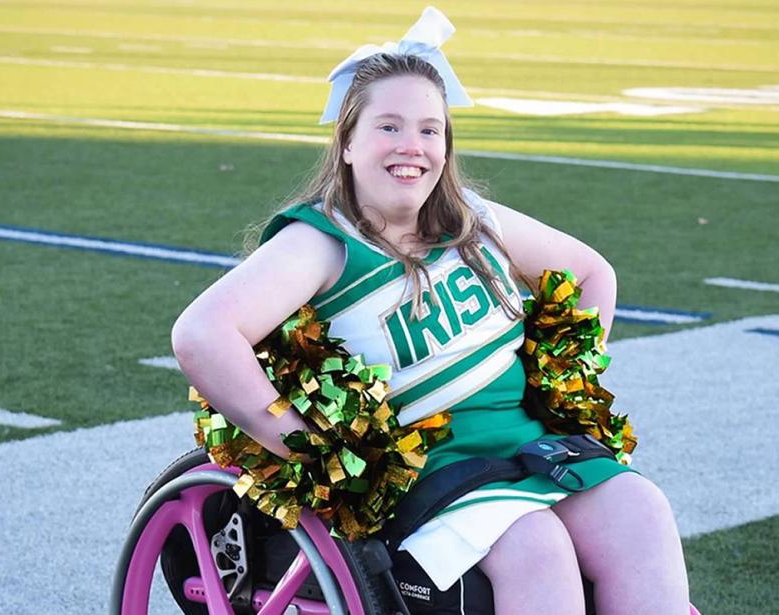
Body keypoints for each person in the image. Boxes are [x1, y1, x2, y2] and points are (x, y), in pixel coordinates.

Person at [171, 7, 690, 614]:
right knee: (537, 547)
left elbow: (590, 273)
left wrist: (566, 384)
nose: (410, 147)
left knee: (641, 510)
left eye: (429, 129)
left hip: (531, 444)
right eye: (387, 127)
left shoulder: (474, 221)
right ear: (346, 143)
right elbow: (203, 333)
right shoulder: (322, 241)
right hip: (431, 474)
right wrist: (302, 446)